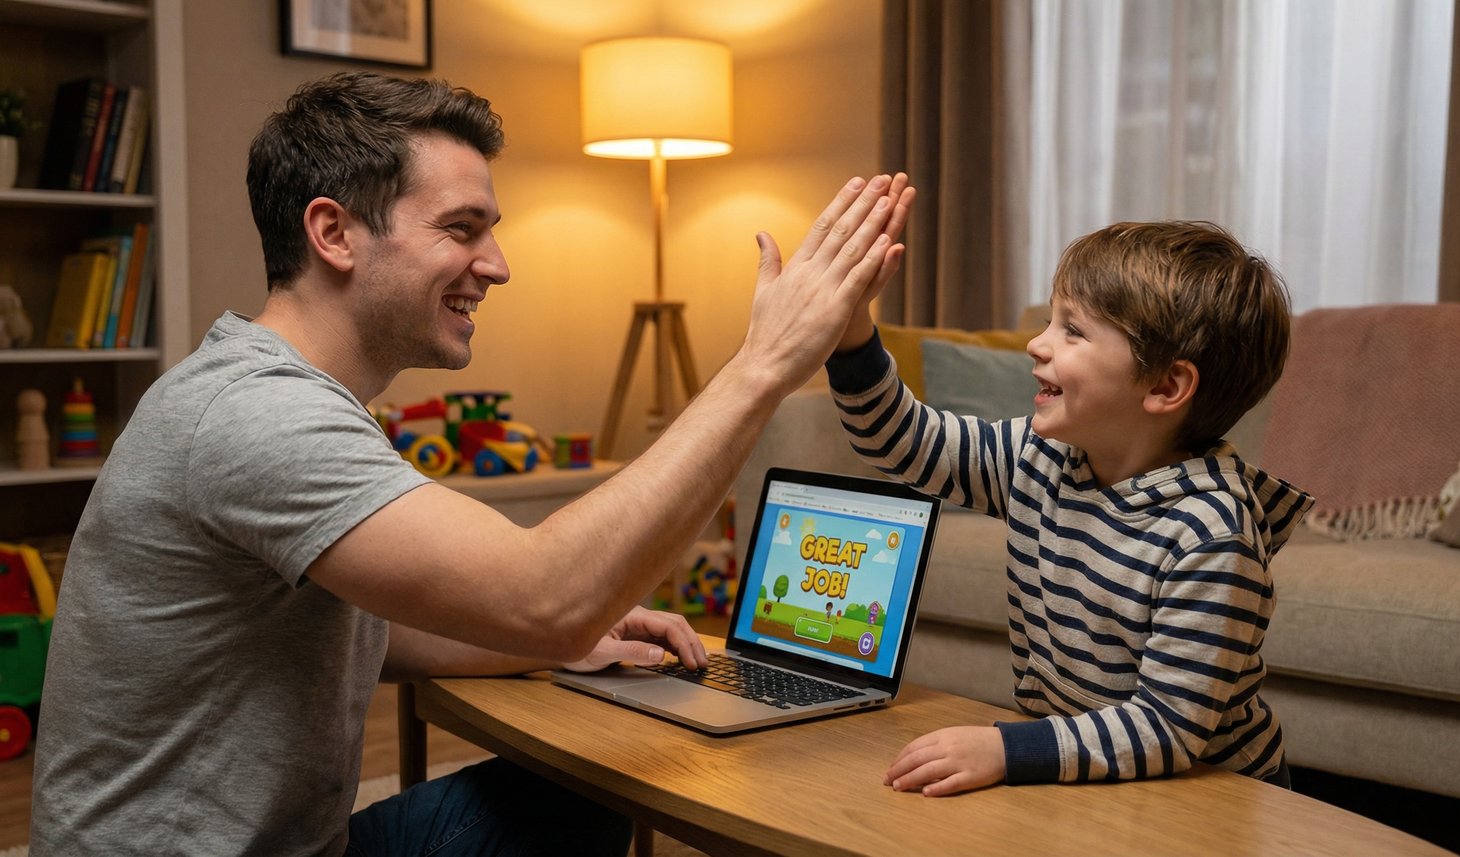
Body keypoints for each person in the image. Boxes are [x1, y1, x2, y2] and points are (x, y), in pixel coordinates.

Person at [30, 71, 914, 856]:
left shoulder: (284, 394)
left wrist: (563, 642)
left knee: (579, 796)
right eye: (462, 229)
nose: (497, 265)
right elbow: (546, 594)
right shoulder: (258, 414)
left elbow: (372, 628)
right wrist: (763, 365)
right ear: (334, 232)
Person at [824, 221, 1314, 796]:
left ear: (1164, 386)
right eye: (1051, 321)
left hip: (1213, 791)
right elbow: (904, 441)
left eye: (1073, 331)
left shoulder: (1212, 537)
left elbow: (1166, 730)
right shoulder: (1041, 457)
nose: (1037, 343)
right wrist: (851, 332)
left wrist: (1006, 749)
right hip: (1097, 768)